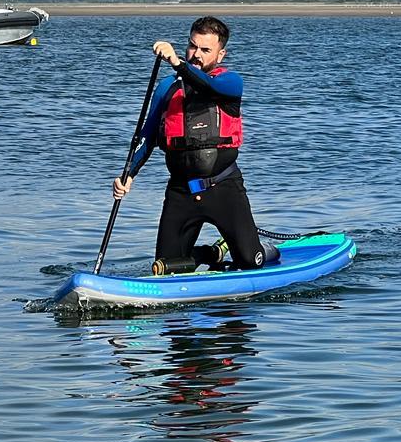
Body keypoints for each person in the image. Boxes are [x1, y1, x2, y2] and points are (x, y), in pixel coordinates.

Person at [113, 16, 279, 271]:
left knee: (249, 261)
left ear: (220, 54)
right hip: (181, 192)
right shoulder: (167, 87)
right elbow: (147, 135)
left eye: (205, 50)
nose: (196, 55)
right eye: (192, 46)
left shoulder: (230, 83)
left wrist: (177, 62)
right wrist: (129, 174)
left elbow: (206, 85)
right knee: (165, 267)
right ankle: (211, 254)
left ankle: (262, 249)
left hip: (223, 188)